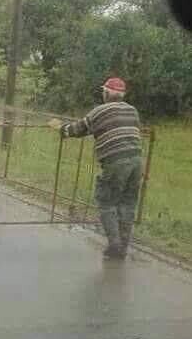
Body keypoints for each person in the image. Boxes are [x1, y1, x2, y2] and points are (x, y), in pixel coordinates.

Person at [61, 77, 143, 260]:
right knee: (128, 204)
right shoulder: (132, 110)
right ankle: (123, 247)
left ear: (106, 93)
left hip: (116, 162)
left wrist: (63, 130)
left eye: (103, 91)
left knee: (106, 201)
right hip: (137, 161)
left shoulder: (100, 111)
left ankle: (114, 244)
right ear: (121, 95)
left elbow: (79, 129)